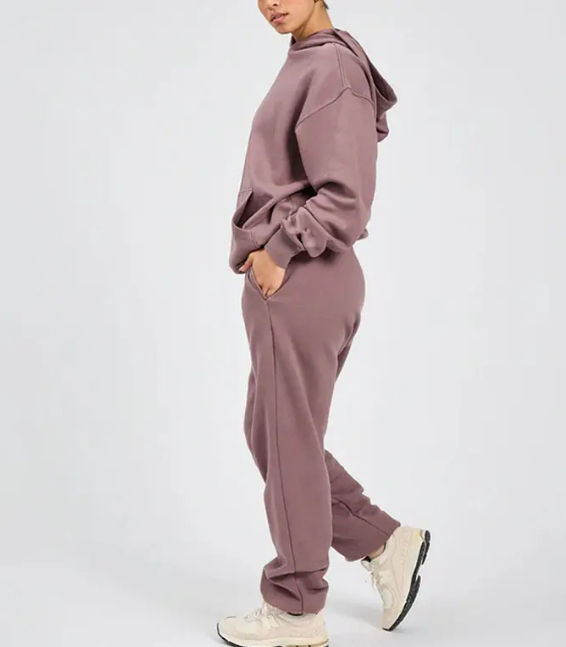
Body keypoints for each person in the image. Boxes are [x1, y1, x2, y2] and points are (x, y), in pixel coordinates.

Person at [217, 2, 431, 645]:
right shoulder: (311, 61)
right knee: (275, 435)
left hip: (303, 274)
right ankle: (382, 542)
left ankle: (295, 608)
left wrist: (279, 250)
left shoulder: (332, 65)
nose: (271, 2)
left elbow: (346, 195)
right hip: (301, 277)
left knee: (287, 440)